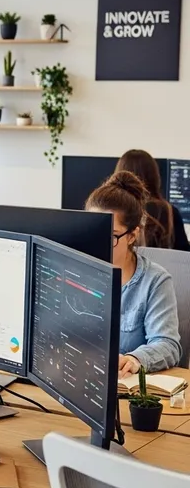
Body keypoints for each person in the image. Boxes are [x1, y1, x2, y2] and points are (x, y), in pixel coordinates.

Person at [85, 171, 181, 376]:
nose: (99, 244)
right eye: (93, 232)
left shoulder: (155, 281)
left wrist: (135, 359)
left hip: (125, 387)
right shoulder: (75, 270)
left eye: (110, 236)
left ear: (132, 235)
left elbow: (168, 344)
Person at [115, 149, 190, 251]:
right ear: (155, 177)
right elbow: (184, 256)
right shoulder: (169, 211)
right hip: (163, 266)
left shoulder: (115, 210)